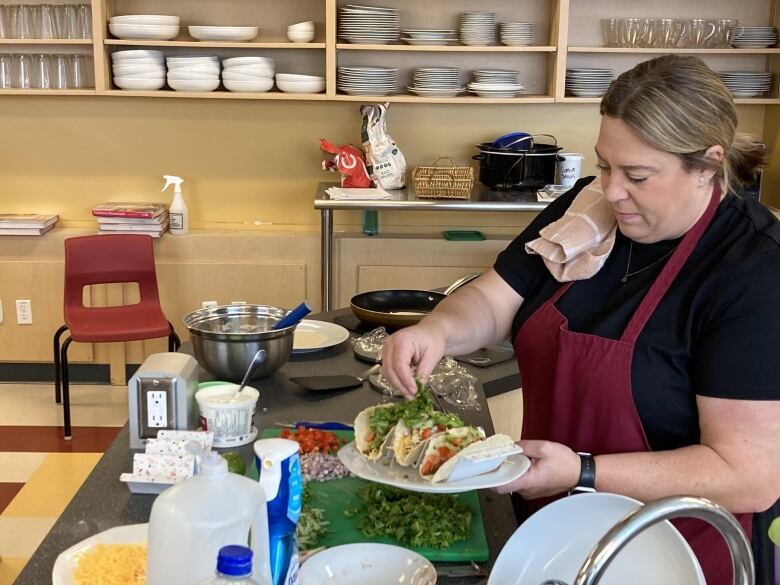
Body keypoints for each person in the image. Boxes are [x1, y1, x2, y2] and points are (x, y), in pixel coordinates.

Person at [382, 55, 780, 585]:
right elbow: (497, 297)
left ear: (708, 163)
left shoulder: (753, 272)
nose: (611, 190)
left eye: (637, 174)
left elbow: (749, 475)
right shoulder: (588, 210)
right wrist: (437, 328)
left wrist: (584, 471)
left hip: (669, 554)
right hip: (549, 530)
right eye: (605, 165)